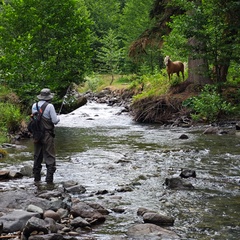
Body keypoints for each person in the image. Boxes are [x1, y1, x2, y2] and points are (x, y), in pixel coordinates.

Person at [31, 88, 60, 184]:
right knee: (50, 156)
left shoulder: (34, 106)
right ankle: (49, 181)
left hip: (36, 135)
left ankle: (37, 180)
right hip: (47, 134)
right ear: (48, 97)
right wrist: (58, 118)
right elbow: (55, 121)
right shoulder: (50, 106)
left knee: (37, 156)